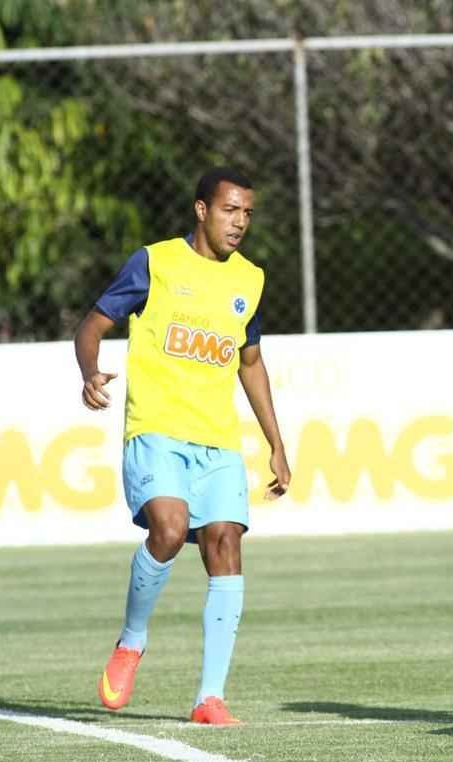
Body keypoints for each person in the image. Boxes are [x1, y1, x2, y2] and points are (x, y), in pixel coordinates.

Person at [74, 167, 291, 725]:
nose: (239, 222)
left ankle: (209, 698)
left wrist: (276, 443)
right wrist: (90, 371)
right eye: (229, 210)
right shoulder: (155, 262)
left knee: (226, 543)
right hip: (155, 430)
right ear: (201, 210)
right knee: (168, 530)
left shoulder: (250, 280)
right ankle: (131, 641)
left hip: (217, 439)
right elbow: (92, 325)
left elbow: (250, 361)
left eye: (247, 212)